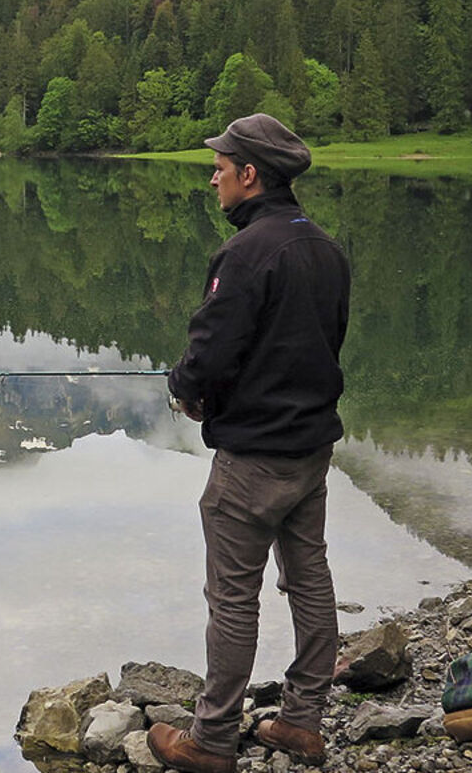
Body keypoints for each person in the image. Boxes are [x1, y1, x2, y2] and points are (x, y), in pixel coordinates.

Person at [148, 112, 351, 773]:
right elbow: (320, 345)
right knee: (309, 578)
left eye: (220, 167)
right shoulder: (324, 247)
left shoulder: (244, 254)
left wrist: (183, 388)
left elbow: (208, 354)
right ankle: (301, 722)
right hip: (311, 451)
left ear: (250, 174)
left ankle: (210, 740)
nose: (213, 178)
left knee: (232, 598)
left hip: (254, 459)